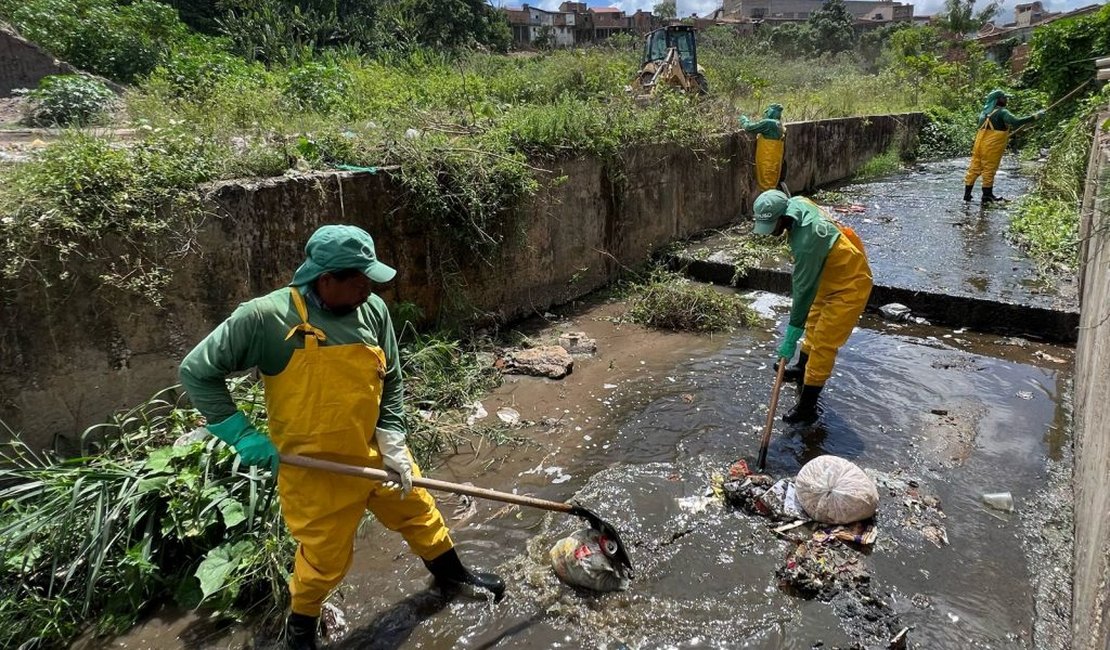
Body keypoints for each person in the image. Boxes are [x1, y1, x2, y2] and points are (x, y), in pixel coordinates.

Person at [179, 225, 505, 650]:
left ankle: (451, 575)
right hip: (316, 469)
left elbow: (391, 379)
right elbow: (197, 371)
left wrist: (392, 440)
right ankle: (301, 631)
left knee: (420, 512)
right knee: (322, 560)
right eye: (359, 280)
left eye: (371, 280)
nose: (369, 289)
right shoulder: (266, 317)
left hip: (375, 455)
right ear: (325, 279)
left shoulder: (373, 312)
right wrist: (241, 435)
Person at [752, 190, 873, 425]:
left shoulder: (807, 242)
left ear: (783, 218)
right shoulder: (796, 202)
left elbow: (802, 292)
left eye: (772, 225)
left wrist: (790, 337)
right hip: (828, 274)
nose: (770, 232)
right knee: (814, 321)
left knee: (823, 344)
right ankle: (801, 368)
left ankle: (807, 407)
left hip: (849, 285)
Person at [963, 89, 1044, 203]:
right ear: (997, 100)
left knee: (974, 168)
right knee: (989, 169)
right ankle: (987, 195)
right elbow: (1015, 122)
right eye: (1004, 98)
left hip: (978, 145)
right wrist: (1034, 117)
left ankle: (967, 194)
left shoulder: (984, 113)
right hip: (991, 147)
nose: (1006, 100)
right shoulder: (1002, 112)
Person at [739, 103, 786, 194]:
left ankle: (768, 205)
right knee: (771, 185)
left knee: (766, 187)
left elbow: (749, 127)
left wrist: (743, 119)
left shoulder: (768, 123)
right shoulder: (779, 124)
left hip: (766, 161)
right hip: (775, 161)